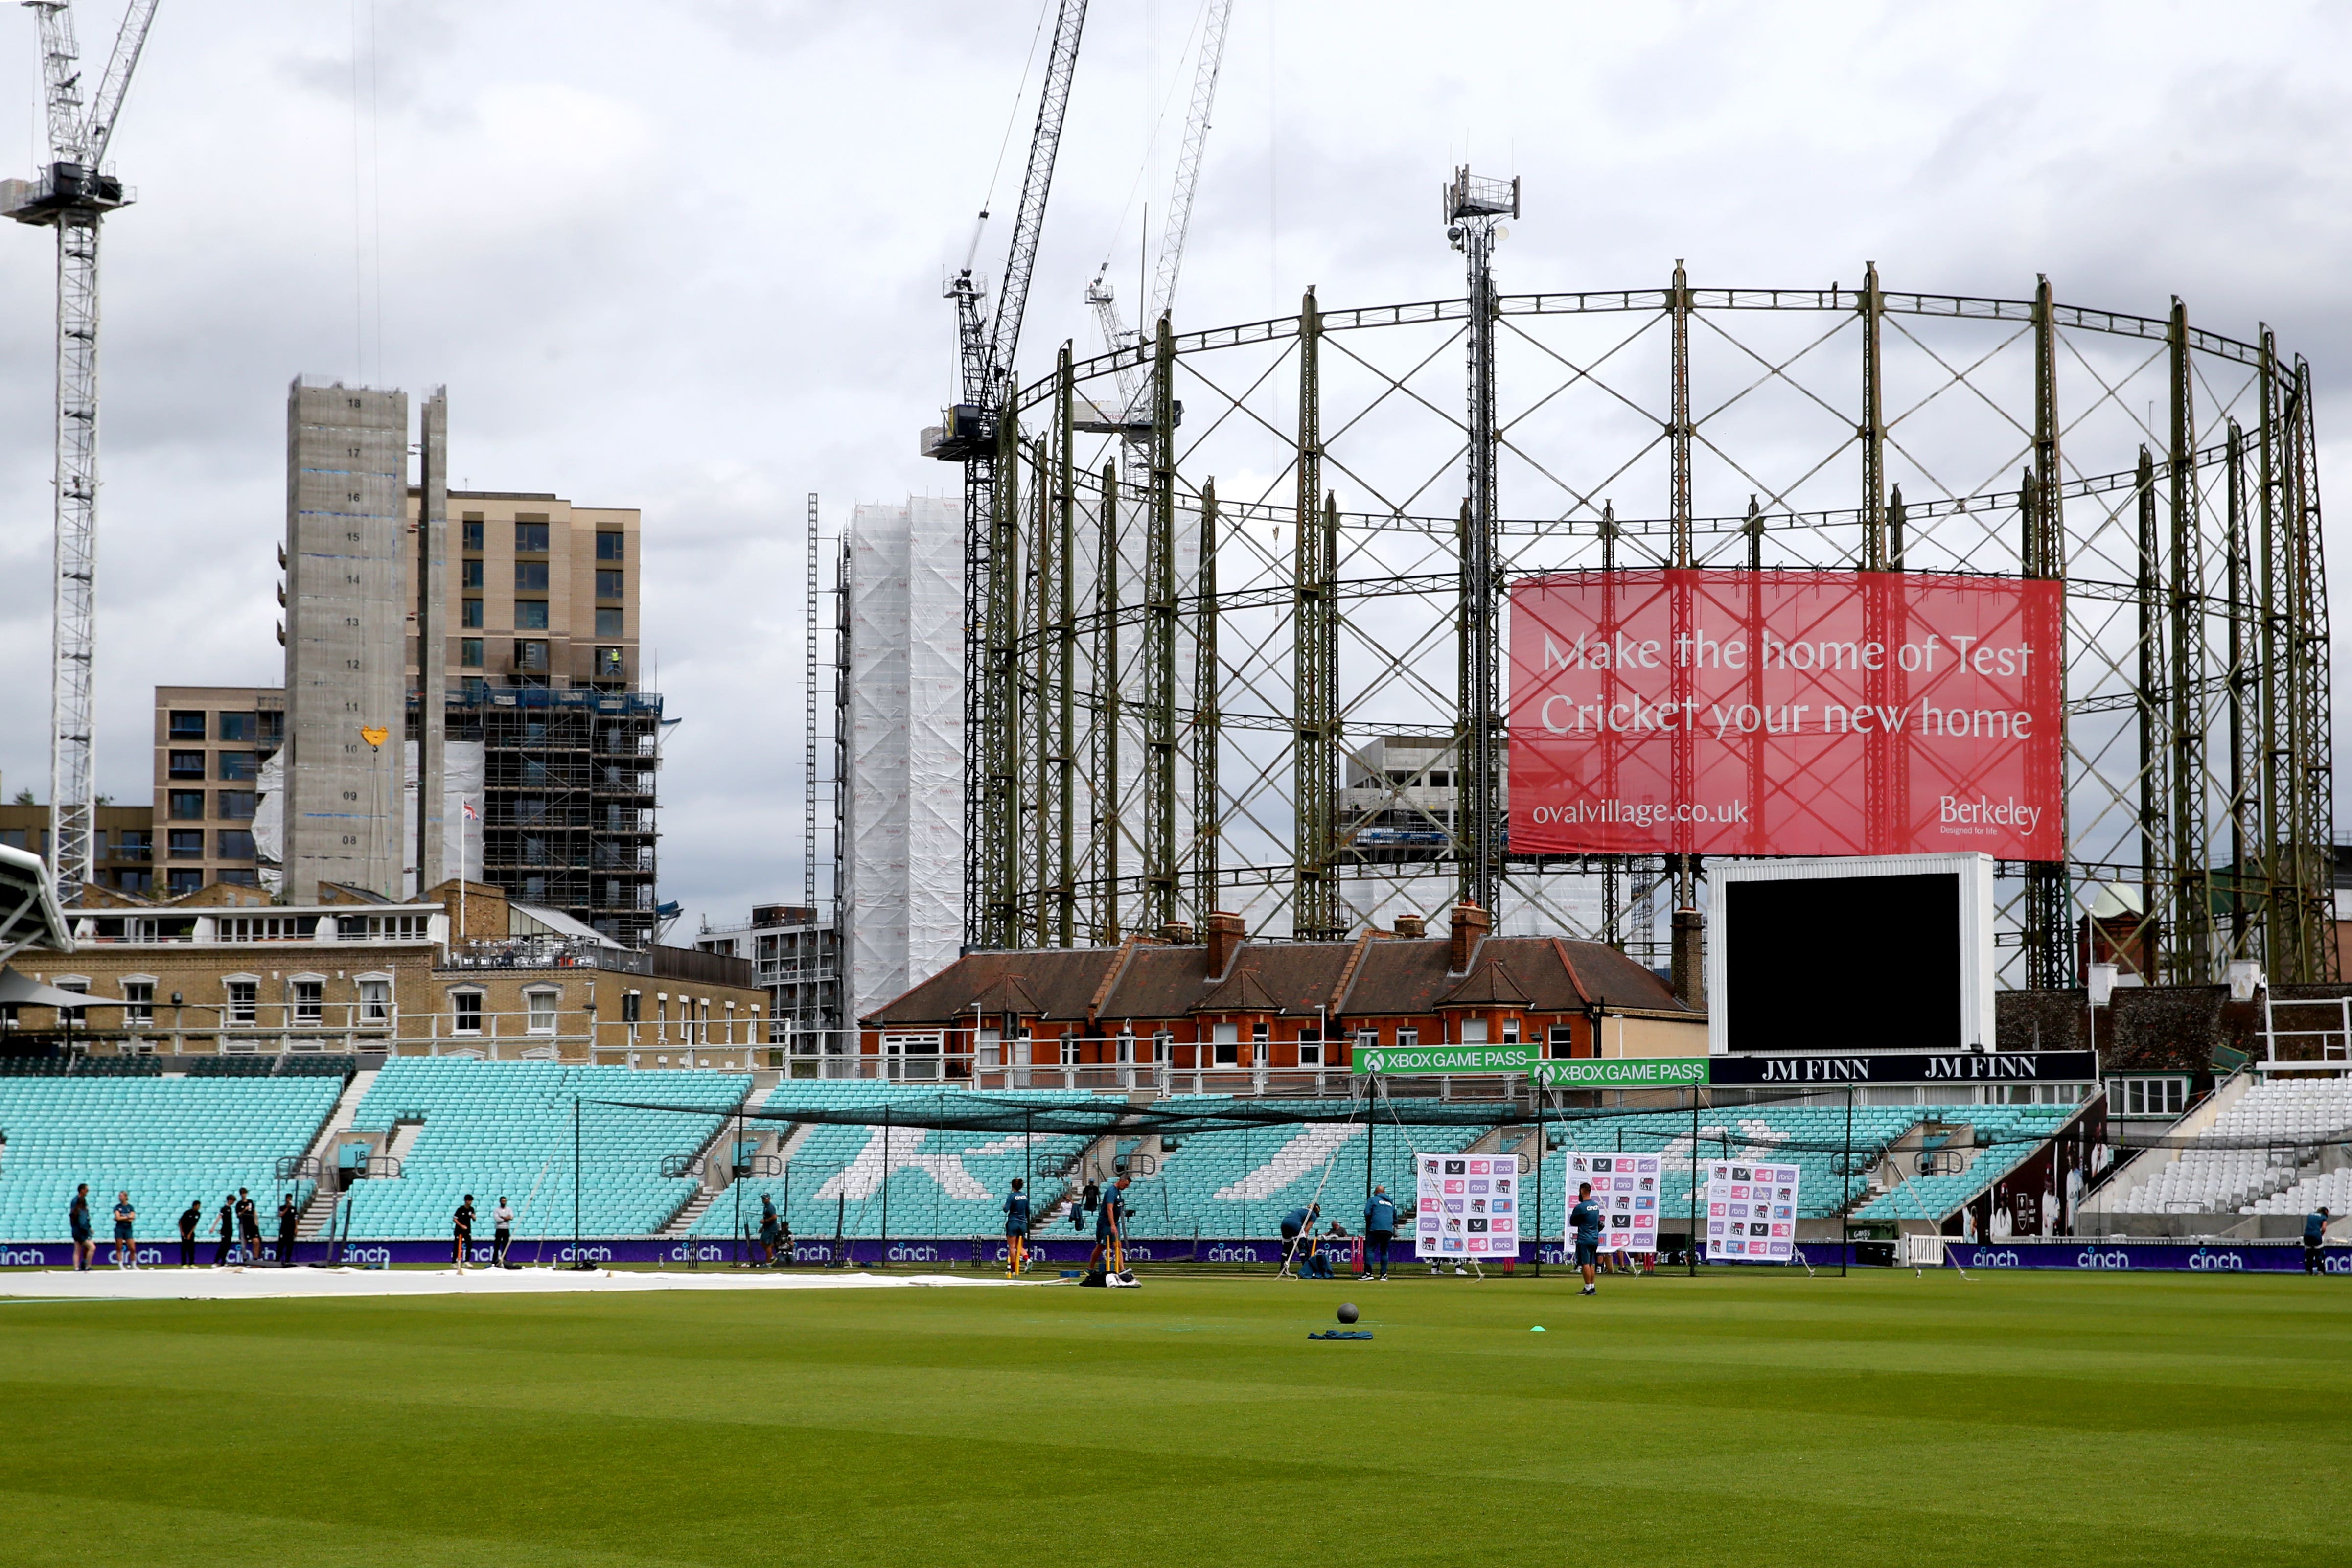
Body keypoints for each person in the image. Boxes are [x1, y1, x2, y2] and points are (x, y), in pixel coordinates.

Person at [1569, 1181, 1604, 1297]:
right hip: (1594, 1238)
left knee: (1585, 1263)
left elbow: (1573, 1222)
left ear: (1581, 1191)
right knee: (1590, 1263)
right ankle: (1592, 1287)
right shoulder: (1596, 1206)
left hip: (1584, 1238)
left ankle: (1588, 1287)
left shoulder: (1580, 1207)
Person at [1090, 1174, 1130, 1273]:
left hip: (1115, 1223)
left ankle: (1122, 1270)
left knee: (1118, 1246)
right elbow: (1109, 1209)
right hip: (1105, 1223)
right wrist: (1112, 1225)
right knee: (1101, 1246)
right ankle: (1090, 1268)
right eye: (1125, 1185)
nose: (1126, 1188)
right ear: (1120, 1181)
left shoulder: (1118, 1192)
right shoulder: (1111, 1192)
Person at [1363, 1185, 1398, 1280]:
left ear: (1376, 1192)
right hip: (1388, 1229)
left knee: (1370, 1250)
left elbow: (1367, 1213)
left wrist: (1371, 1222)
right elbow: (1395, 1218)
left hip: (1375, 1228)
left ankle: (1368, 1274)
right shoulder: (1391, 1203)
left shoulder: (1373, 1200)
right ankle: (1383, 1275)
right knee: (1384, 1252)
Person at [1278, 1202, 1320, 1276]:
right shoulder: (1313, 1214)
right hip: (1295, 1224)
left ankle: (1283, 1270)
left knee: (1287, 1248)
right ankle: (1307, 1270)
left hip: (1284, 1223)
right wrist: (1304, 1240)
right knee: (1303, 1248)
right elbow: (1307, 1230)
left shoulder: (1300, 1210)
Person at [1002, 1178, 1031, 1276]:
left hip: (1013, 1222)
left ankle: (1014, 1270)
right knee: (1020, 1246)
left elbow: (1006, 1210)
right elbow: (1028, 1211)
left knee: (1012, 1247)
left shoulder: (1011, 1196)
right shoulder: (1025, 1197)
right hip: (1023, 1223)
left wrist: (1004, 1206)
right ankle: (1027, 1258)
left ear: (1012, 1186)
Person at [68, 1184, 94, 1272]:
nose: (88, 1192)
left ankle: (76, 1268)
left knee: (77, 1249)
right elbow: (83, 1220)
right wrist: (87, 1229)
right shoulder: (79, 1205)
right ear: (82, 1190)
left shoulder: (77, 1203)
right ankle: (88, 1266)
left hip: (76, 1229)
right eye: (87, 1190)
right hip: (81, 1230)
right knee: (92, 1248)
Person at [234, 1188, 261, 1266]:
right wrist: (244, 1210)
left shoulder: (250, 1202)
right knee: (244, 1242)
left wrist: (256, 1220)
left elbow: (254, 1211)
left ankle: (256, 1259)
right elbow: (238, 1215)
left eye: (245, 1193)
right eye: (243, 1194)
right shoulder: (239, 1204)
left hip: (252, 1224)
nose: (244, 1195)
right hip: (244, 1224)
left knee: (256, 1241)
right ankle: (244, 1259)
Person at [112, 1190, 136, 1270]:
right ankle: (121, 1265)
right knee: (119, 1247)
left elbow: (132, 1218)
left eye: (121, 1196)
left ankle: (133, 1265)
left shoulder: (130, 1207)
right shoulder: (117, 1207)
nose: (120, 1197)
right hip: (119, 1229)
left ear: (126, 1197)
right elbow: (118, 1217)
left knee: (132, 1248)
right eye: (119, 1196)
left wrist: (121, 1218)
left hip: (128, 1229)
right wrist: (127, 1217)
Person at [757, 1194, 783, 1268]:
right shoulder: (766, 1207)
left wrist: (765, 1221)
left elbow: (774, 1217)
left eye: (765, 1199)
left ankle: (768, 1263)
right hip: (767, 1228)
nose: (763, 1200)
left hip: (771, 1229)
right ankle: (771, 1256)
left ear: (769, 1199)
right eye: (763, 1199)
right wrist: (763, 1227)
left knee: (768, 1245)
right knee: (762, 1242)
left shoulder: (770, 1207)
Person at [2306, 1206, 2333, 1274]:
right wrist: (2321, 1235)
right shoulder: (2323, 1217)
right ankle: (2320, 1271)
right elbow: (2324, 1229)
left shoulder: (2310, 1215)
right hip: (2316, 1235)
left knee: (2309, 1254)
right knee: (2319, 1254)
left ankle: (2308, 1271)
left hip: (2307, 1235)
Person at [452, 1194, 476, 1269]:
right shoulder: (461, 1209)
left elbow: (474, 1219)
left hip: (467, 1230)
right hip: (459, 1230)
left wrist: (474, 1217)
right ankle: (454, 1262)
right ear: (466, 1201)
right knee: (457, 1246)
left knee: (469, 1245)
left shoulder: (472, 1209)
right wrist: (461, 1226)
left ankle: (467, 1262)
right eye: (469, 1201)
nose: (470, 1202)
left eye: (471, 1201)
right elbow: (455, 1219)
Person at [276, 1195, 300, 1268]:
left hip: (291, 1230)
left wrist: (296, 1228)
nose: (289, 1200)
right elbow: (281, 1215)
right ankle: (277, 1260)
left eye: (290, 1199)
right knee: (281, 1246)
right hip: (284, 1229)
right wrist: (287, 1208)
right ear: (286, 1199)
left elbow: (296, 1219)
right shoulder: (282, 1208)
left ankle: (287, 1261)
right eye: (288, 1198)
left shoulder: (294, 1209)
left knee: (290, 1246)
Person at [177, 1200, 201, 1268]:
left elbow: (195, 1225)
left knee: (192, 1249)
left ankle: (192, 1263)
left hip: (191, 1233)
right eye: (198, 1206)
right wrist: (182, 1232)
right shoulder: (188, 1213)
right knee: (184, 1249)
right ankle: (184, 1264)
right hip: (185, 1232)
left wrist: (190, 1234)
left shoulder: (198, 1214)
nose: (199, 1207)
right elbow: (180, 1222)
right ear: (195, 1206)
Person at [493, 1196, 515, 1268]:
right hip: (499, 1229)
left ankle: (504, 1260)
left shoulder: (509, 1209)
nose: (504, 1202)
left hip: (506, 1229)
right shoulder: (497, 1210)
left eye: (505, 1201)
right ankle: (494, 1261)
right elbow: (497, 1219)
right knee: (497, 1246)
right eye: (503, 1201)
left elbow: (511, 1217)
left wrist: (502, 1217)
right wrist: (506, 1218)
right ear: (500, 1202)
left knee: (505, 1246)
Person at [213, 1195, 234, 1267]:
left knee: (227, 1247)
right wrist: (213, 1227)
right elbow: (219, 1217)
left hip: (229, 1230)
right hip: (225, 1230)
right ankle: (216, 1262)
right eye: (233, 1201)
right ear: (229, 1200)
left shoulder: (230, 1209)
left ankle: (223, 1262)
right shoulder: (224, 1209)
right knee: (223, 1246)